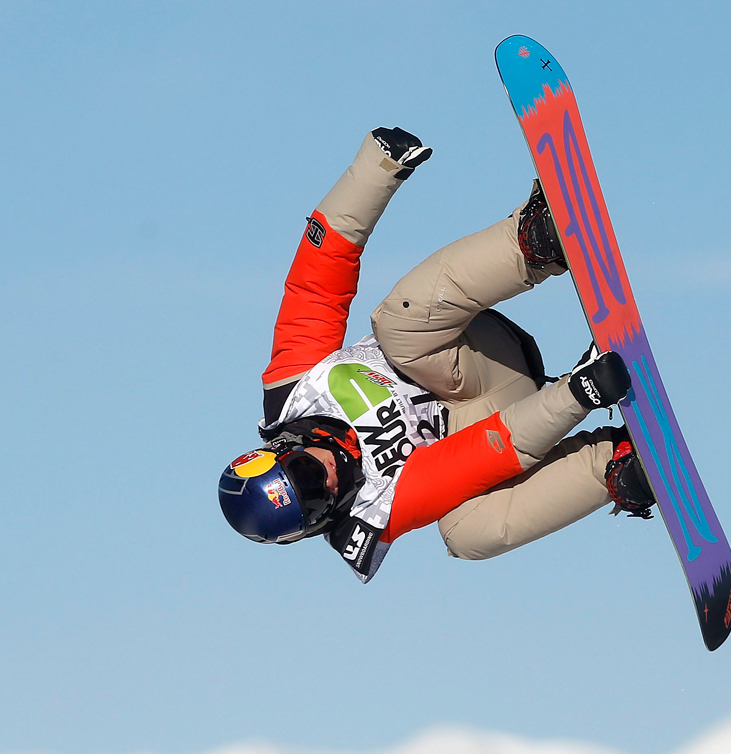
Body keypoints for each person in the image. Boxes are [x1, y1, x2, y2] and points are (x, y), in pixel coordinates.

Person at [218, 127, 654, 582]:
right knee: (468, 533)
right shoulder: (372, 513)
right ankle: (616, 466)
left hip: (456, 354)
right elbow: (468, 462)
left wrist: (377, 169)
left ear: (285, 448)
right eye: (315, 506)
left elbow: (316, 287)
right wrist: (574, 396)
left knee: (394, 328)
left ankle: (534, 244)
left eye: (306, 474)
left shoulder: (296, 390)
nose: (326, 484)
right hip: (490, 424)